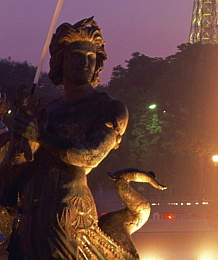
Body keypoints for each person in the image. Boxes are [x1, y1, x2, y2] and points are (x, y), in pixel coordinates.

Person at [2, 18, 129, 259]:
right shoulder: (47, 112)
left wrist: (41, 136)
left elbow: (91, 155)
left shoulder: (109, 109)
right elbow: (17, 169)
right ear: (61, 60)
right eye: (77, 55)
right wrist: (19, 138)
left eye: (91, 57)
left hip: (67, 213)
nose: (85, 62)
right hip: (30, 215)